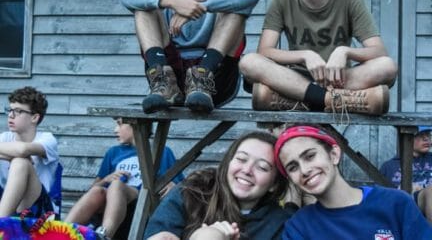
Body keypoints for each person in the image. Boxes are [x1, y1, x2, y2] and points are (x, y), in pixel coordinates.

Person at [239, 0, 397, 115]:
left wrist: (344, 51)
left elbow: (379, 51)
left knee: (387, 66)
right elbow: (264, 52)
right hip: (294, 77)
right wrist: (305, 55)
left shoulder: (349, 0)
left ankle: (301, 100)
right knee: (249, 62)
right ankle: (329, 100)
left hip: (337, 79)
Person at [119, 0, 259, 114]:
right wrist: (173, 2)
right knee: (144, 7)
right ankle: (162, 80)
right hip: (171, 76)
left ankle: (201, 78)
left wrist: (199, 6)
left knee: (235, 8)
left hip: (214, 78)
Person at [274, 125, 432, 239]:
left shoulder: (395, 203)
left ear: (334, 154)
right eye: (293, 167)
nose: (304, 170)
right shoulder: (299, 227)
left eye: (310, 156)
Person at [144, 131, 296, 240]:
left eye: (262, 167)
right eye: (241, 159)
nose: (247, 170)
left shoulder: (278, 223)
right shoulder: (193, 190)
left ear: (274, 184)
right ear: (228, 163)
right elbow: (159, 233)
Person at [65, 118, 184, 240]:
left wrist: (172, 185)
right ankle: (61, 230)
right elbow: (93, 188)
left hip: (142, 199)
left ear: (135, 125)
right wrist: (105, 180)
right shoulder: (114, 152)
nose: (115, 130)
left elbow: (181, 186)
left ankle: (104, 234)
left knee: (117, 184)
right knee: (97, 191)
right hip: (110, 203)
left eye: (120, 124)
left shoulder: (162, 151)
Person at [0, 86, 60, 218]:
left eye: (18, 111)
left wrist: (7, 155)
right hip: (7, 202)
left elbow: (23, 150)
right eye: (9, 110)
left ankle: (1, 224)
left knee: (21, 162)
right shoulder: (4, 138)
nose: (10, 115)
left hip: (42, 212)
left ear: (34, 118)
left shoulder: (47, 139)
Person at [380, 126, 432, 222]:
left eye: (428, 134)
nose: (426, 138)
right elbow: (382, 198)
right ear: (407, 138)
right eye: (420, 135)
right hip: (406, 209)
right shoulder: (390, 166)